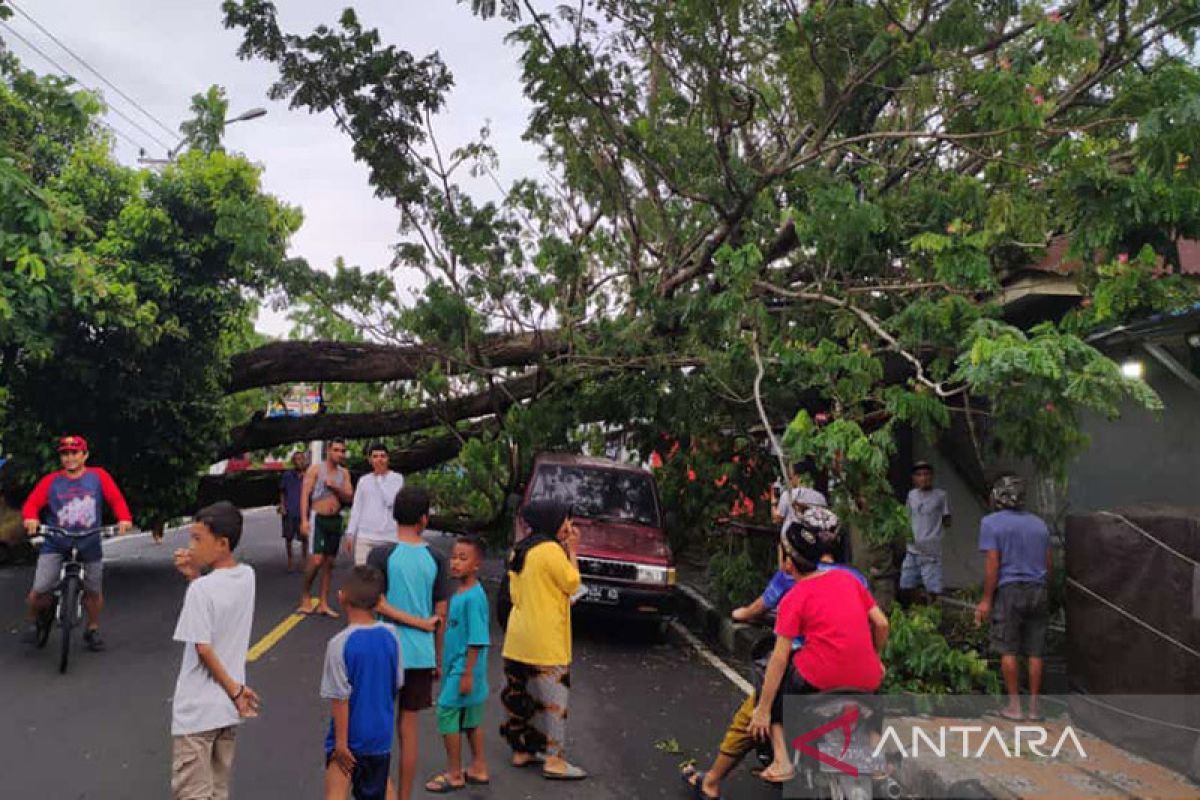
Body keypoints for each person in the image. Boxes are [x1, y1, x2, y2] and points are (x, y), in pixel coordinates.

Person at [683, 508, 889, 799]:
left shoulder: (794, 594)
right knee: (872, 694)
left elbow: (779, 656)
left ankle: (773, 760)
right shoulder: (853, 580)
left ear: (788, 561)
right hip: (863, 679)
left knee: (769, 682)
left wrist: (764, 712)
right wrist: (876, 659)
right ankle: (875, 749)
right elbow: (881, 622)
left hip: (817, 678)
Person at [170, 502, 259, 800]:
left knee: (192, 793)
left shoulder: (201, 591)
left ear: (222, 544)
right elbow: (217, 608)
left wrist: (235, 690)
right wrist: (194, 575)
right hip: (225, 711)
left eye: (197, 539)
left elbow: (203, 647)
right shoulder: (247, 576)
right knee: (218, 792)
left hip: (196, 711)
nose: (191, 546)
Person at [366, 487, 450, 800]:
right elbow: (440, 616)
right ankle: (403, 796)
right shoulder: (436, 558)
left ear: (394, 515)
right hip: (421, 653)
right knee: (409, 728)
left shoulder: (381, 554)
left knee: (380, 726)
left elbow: (376, 602)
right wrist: (438, 659)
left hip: (385, 650)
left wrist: (407, 621)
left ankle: (382, 789)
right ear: (424, 519)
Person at [500, 501, 588, 781]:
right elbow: (573, 583)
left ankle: (522, 750)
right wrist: (573, 551)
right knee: (553, 703)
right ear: (551, 521)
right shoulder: (551, 551)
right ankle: (554, 760)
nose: (569, 527)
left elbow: (516, 593)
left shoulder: (519, 550)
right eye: (565, 520)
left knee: (522, 697)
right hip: (546, 639)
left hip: (518, 637)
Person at [20, 435, 133, 651]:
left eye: (74, 453)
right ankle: (35, 621)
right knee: (39, 589)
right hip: (56, 541)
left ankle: (92, 628)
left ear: (85, 455)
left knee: (93, 589)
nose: (69, 457)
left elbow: (116, 500)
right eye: (65, 453)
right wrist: (31, 518)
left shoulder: (98, 477)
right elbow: (32, 504)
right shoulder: (51, 481)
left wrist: (124, 519)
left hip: (89, 541)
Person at [321, 565, 404, 800]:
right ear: (380, 601)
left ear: (342, 597)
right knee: (381, 786)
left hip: (350, 737)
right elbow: (396, 683)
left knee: (337, 787)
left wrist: (340, 743)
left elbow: (340, 697)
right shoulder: (391, 635)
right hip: (380, 736)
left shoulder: (339, 643)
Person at [974, 474, 1052, 722]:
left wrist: (986, 599)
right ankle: (1034, 710)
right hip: (1039, 590)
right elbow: (1048, 563)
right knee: (1035, 652)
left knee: (1008, 648)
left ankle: (1015, 707)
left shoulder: (991, 523)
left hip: (1010, 591)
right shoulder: (1040, 524)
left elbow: (992, 563)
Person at [425, 536, 491, 793]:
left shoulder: (473, 597)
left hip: (465, 668)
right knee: (471, 717)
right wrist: (441, 661)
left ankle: (454, 773)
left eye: (463, 559)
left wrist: (466, 673)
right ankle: (479, 767)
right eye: (454, 557)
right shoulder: (460, 593)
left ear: (477, 565)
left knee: (447, 710)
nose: (455, 563)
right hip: (459, 666)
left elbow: (477, 639)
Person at [298, 439, 354, 618]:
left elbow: (349, 497)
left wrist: (335, 487)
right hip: (318, 517)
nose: (340, 454)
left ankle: (323, 602)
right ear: (329, 451)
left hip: (335, 519)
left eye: (343, 451)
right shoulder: (315, 469)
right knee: (316, 560)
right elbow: (305, 495)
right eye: (337, 450)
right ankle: (306, 594)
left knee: (329, 563)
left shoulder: (344, 473)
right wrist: (304, 520)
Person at [899, 461, 951, 603]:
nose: (923, 478)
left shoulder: (940, 496)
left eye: (926, 474)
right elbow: (906, 517)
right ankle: (916, 615)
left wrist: (935, 533)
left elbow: (947, 519)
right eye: (919, 475)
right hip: (912, 549)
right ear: (914, 478)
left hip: (931, 551)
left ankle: (932, 616)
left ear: (932, 476)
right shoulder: (911, 496)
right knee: (907, 584)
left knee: (933, 588)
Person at [345, 442, 404, 567]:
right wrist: (350, 533)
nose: (379, 460)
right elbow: (357, 508)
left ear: (388, 459)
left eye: (383, 456)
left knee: (386, 577)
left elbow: (390, 501)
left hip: (389, 537)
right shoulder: (363, 481)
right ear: (370, 460)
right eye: (375, 456)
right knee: (362, 575)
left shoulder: (397, 479)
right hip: (365, 536)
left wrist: (380, 479)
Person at [770, 461, 827, 534]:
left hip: (792, 539)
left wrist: (773, 501)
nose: (789, 480)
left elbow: (776, 520)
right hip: (814, 541)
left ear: (798, 477)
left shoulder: (788, 494)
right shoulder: (821, 497)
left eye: (791, 477)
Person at [279, 450, 309, 573]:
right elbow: (282, 491)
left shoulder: (309, 475)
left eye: (301, 459)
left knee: (305, 537)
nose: (299, 461)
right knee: (289, 537)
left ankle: (304, 560)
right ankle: (290, 560)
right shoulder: (287, 475)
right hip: (290, 510)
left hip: (304, 511)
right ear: (293, 461)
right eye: (297, 459)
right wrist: (282, 506)